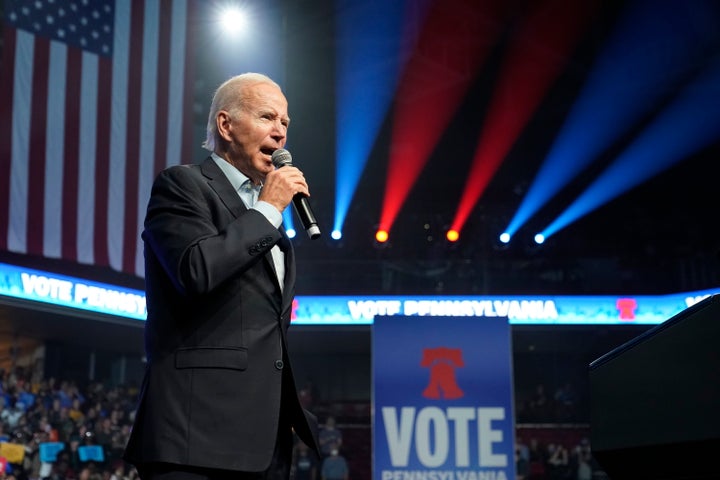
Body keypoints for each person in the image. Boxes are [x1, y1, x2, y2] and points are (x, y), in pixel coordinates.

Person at [123, 72, 320, 479]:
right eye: (268, 117)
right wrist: (267, 211)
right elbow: (196, 271)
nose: (280, 132)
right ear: (226, 125)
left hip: (263, 447)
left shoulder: (269, 218)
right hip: (193, 441)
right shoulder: (184, 185)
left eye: (285, 122)